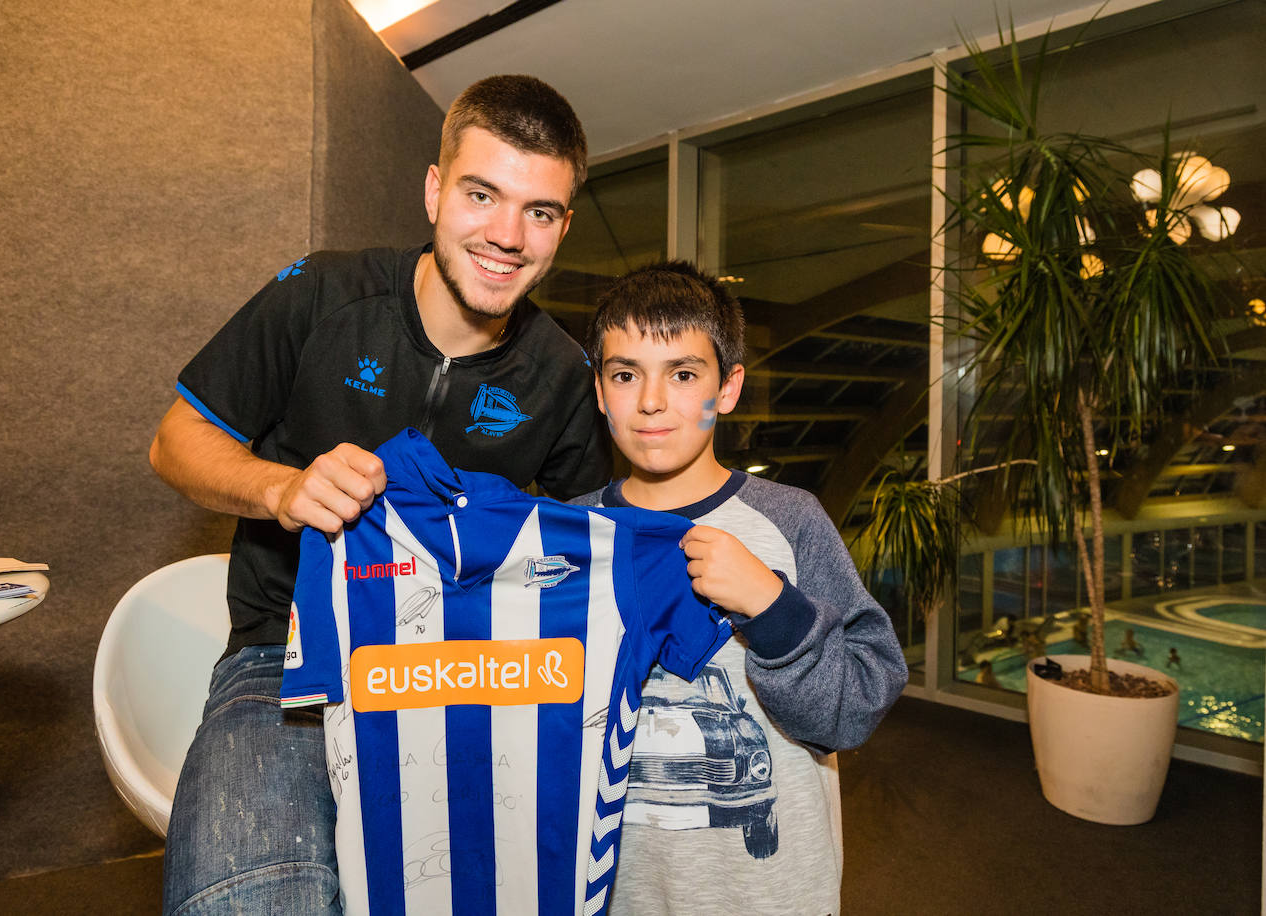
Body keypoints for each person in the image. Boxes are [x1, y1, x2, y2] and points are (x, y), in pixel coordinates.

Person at [149, 74, 610, 913]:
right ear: (435, 190)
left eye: (539, 211)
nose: (507, 235)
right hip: (284, 664)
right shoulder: (325, 294)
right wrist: (284, 489)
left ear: (562, 226)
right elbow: (174, 441)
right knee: (251, 900)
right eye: (482, 194)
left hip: (465, 674)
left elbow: (595, 553)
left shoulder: (564, 375)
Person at [571, 261, 909, 915]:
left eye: (683, 374)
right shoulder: (566, 533)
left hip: (763, 894)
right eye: (624, 374)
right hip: (612, 890)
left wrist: (774, 607)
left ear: (727, 389)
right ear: (600, 389)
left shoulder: (789, 521)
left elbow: (856, 710)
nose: (649, 400)